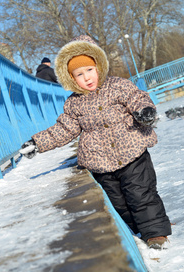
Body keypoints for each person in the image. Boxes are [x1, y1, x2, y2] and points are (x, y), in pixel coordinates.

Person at [20, 35, 171, 249]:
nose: (87, 77)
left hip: (132, 152)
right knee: (117, 201)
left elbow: (137, 97)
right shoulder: (74, 104)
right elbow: (63, 129)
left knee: (141, 193)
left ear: (99, 66)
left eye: (90, 70)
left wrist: (144, 111)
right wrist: (37, 142)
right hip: (101, 162)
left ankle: (155, 233)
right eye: (79, 74)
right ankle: (135, 231)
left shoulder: (117, 85)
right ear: (71, 79)